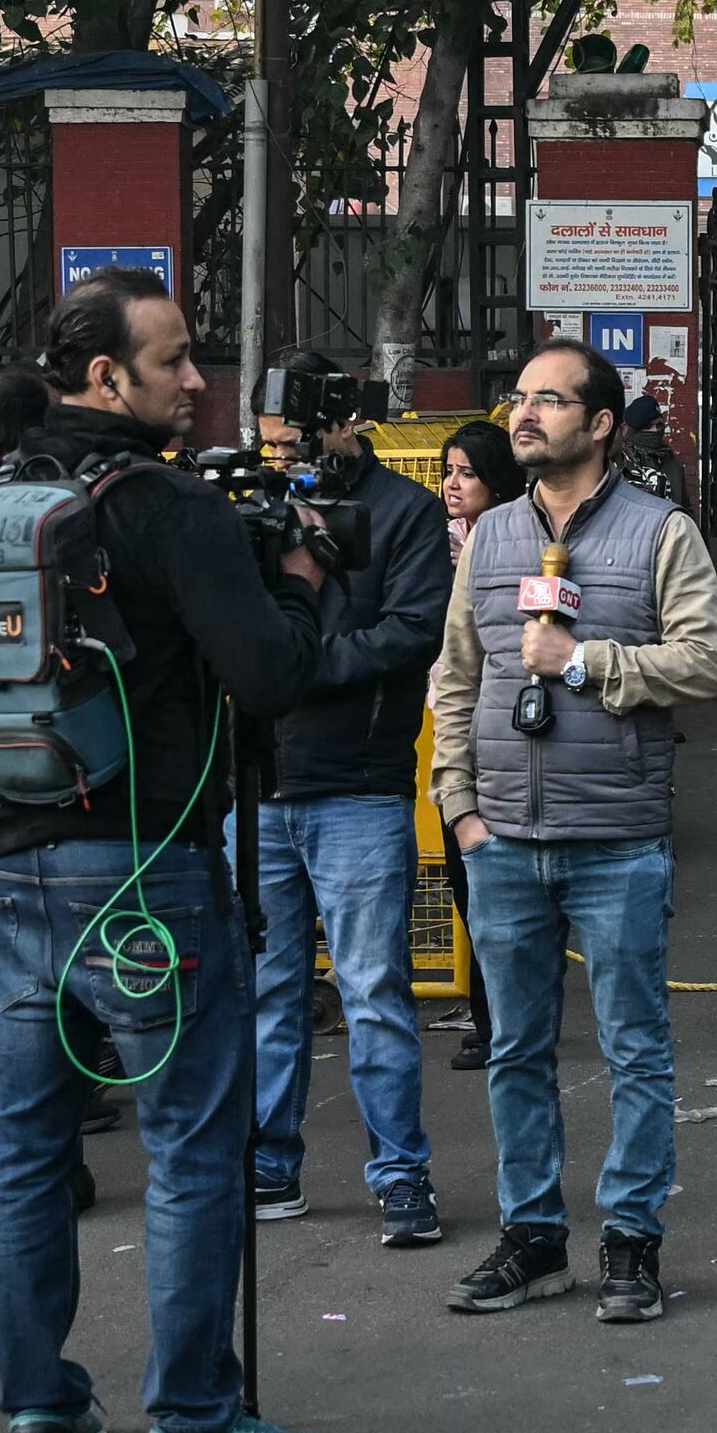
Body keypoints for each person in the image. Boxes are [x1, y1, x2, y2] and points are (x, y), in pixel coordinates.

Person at [0, 269, 333, 1433]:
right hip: (150, 869)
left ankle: (38, 1412)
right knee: (188, 1142)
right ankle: (192, 1421)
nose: (197, 381)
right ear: (104, 377)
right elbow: (271, 678)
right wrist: (290, 578)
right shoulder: (172, 507)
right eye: (175, 361)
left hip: (12, 861)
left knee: (23, 1143)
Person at [428, 340, 717, 1322]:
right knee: (516, 1047)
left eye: (547, 401)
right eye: (517, 397)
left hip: (617, 838)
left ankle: (632, 1242)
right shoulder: (490, 538)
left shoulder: (660, 534)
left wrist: (587, 659)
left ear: (599, 423)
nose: (523, 415)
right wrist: (459, 808)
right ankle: (532, 1237)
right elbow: (455, 674)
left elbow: (706, 663)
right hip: (502, 842)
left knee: (634, 1048)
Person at [248, 409, 456, 1240]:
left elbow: (411, 632)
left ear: (344, 423)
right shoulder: (255, 501)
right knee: (269, 991)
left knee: (373, 992)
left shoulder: (404, 510)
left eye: (295, 436)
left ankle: (401, 1173)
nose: (283, 452)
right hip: (259, 786)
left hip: (360, 785)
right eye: (271, 439)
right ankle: (269, 1162)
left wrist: (293, 668)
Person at [427, 417, 522, 1077]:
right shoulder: (436, 544)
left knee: (498, 893)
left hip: (505, 732)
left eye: (466, 472)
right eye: (448, 471)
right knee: (469, 889)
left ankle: (503, 1023)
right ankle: (489, 1021)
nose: (453, 485)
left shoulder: (512, 538)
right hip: (452, 730)